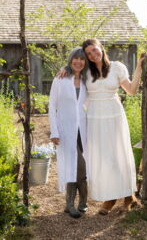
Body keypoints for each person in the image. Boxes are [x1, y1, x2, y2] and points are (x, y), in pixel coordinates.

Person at [59, 39, 145, 215]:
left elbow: (131, 90)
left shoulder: (117, 67)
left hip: (114, 114)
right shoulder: (86, 71)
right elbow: (73, 69)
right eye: (88, 53)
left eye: (94, 50)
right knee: (103, 157)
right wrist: (63, 69)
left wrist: (139, 68)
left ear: (101, 48)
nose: (92, 55)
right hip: (94, 116)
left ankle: (128, 195)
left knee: (119, 153)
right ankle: (110, 196)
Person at [49, 47, 88, 219]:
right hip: (66, 129)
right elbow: (51, 105)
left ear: (85, 62)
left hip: (85, 130)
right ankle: (71, 203)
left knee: (84, 166)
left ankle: (81, 203)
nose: (78, 62)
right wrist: (54, 131)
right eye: (75, 58)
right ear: (71, 60)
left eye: (82, 59)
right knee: (75, 165)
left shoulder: (88, 80)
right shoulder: (61, 79)